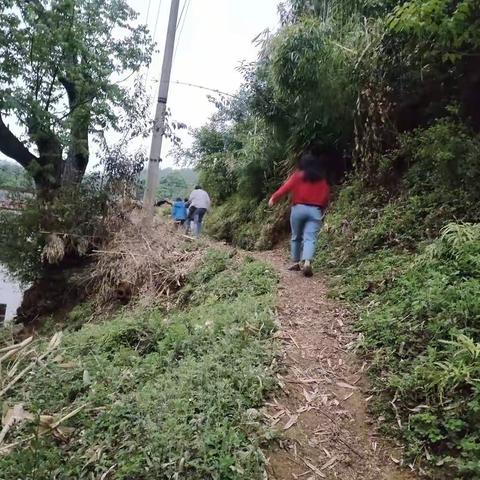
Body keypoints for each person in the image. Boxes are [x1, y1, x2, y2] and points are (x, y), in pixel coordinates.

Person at [268, 151, 330, 277]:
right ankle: (307, 262)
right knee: (310, 238)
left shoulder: (297, 176)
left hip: (299, 210)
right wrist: (322, 209)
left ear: (302, 164)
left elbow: (285, 188)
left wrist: (274, 198)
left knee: (296, 236)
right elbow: (326, 197)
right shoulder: (321, 179)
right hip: (315, 211)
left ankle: (296, 263)